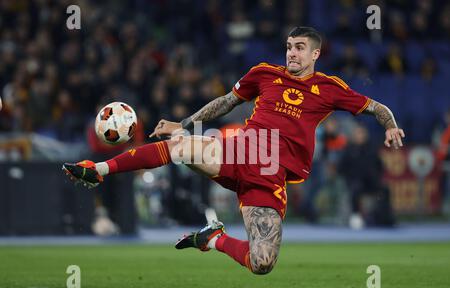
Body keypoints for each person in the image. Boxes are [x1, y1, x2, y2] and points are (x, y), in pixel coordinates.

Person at [63, 27, 405, 275]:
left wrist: (390, 126)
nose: (292, 53)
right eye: (289, 46)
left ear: (315, 54)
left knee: (262, 263)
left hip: (270, 177)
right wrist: (185, 123)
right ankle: (99, 170)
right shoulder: (264, 74)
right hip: (242, 151)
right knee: (180, 147)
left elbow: (376, 107)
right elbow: (226, 102)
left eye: (300, 48)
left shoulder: (329, 88)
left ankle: (213, 239)